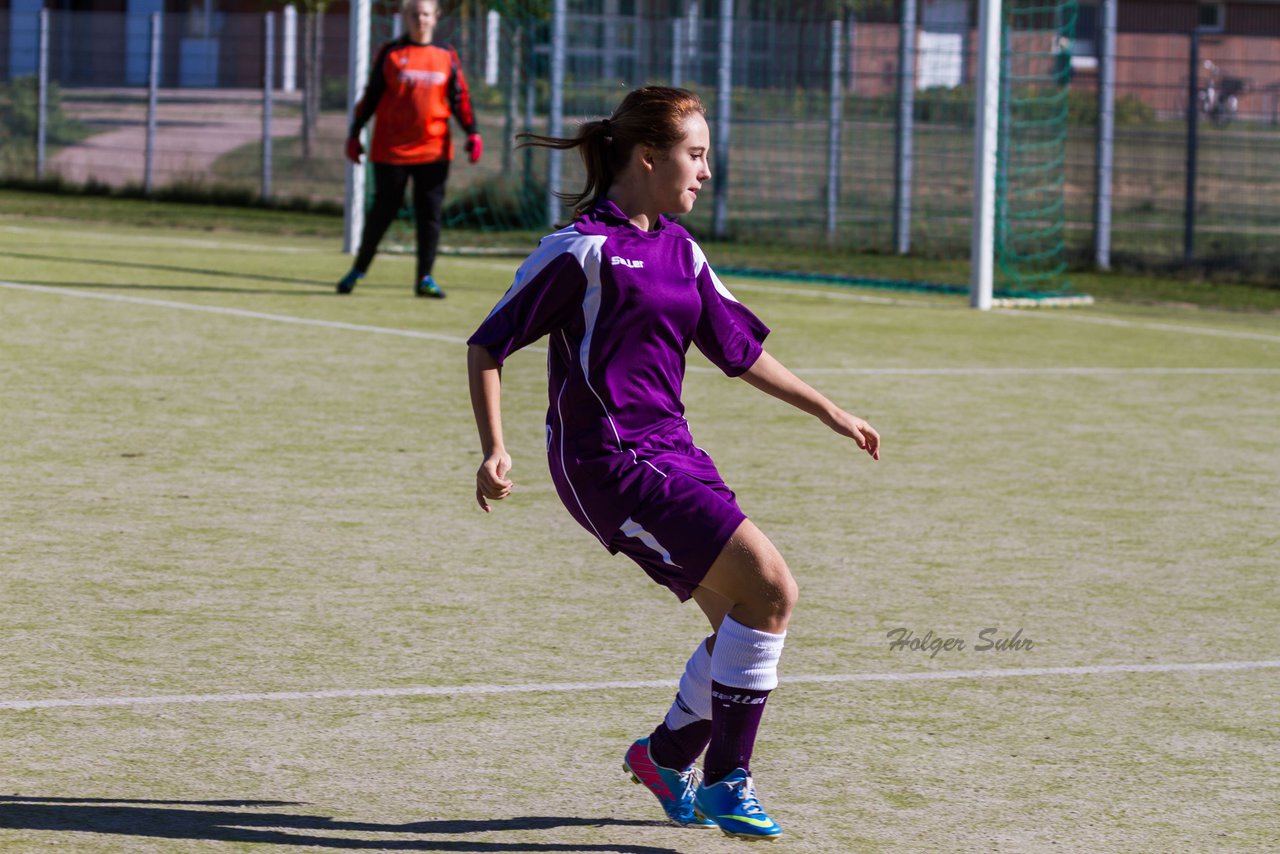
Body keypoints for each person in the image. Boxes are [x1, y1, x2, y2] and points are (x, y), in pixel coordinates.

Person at [466, 86, 880, 841]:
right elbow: (489, 344)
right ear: (648, 158)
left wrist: (828, 409)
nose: (707, 173)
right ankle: (727, 780)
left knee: (743, 625)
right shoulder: (581, 251)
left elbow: (739, 350)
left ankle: (664, 756)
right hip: (609, 463)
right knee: (774, 588)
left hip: (674, 453)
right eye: (696, 156)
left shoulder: (682, 251)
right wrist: (496, 447)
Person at [337, 0, 482, 299]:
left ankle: (425, 278)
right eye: (414, 14)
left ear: (435, 18)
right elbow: (371, 97)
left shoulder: (446, 55)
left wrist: (473, 132)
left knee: (429, 215)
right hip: (391, 151)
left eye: (426, 14)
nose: (420, 20)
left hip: (434, 150)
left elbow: (459, 98)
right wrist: (354, 133)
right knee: (382, 212)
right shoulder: (391, 53)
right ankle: (358, 268)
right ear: (404, 17)